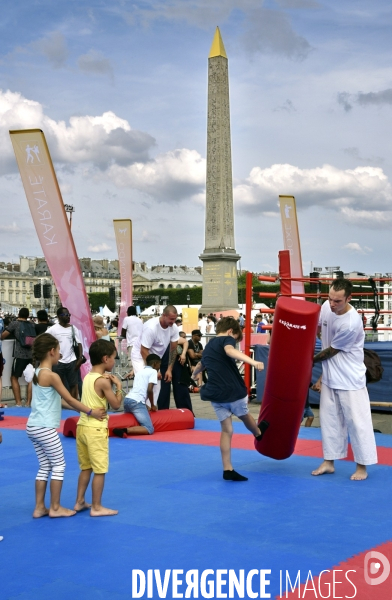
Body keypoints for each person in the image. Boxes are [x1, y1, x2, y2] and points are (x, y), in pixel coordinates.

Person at [26, 333, 106, 518]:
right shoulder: (52, 376)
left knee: (45, 466)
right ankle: (55, 507)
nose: (60, 355)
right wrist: (90, 411)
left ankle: (40, 507)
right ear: (52, 351)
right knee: (59, 466)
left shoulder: (37, 374)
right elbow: (69, 397)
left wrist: (80, 410)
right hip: (45, 428)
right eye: (59, 351)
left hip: (33, 427)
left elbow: (59, 401)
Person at [311, 278, 377, 481]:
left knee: (358, 423)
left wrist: (303, 360)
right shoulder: (326, 306)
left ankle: (362, 467)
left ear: (349, 298)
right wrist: (323, 375)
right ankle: (329, 462)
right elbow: (321, 332)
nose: (332, 304)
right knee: (329, 422)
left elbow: (330, 351)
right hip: (331, 377)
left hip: (350, 380)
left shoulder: (351, 322)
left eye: (337, 301)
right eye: (330, 299)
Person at [193, 316, 268, 481]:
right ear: (231, 331)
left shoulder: (209, 345)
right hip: (231, 390)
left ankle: (227, 469)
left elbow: (201, 364)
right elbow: (229, 350)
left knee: (227, 430)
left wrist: (194, 373)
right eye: (235, 338)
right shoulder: (227, 339)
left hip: (215, 394)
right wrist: (254, 362)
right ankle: (258, 433)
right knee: (245, 415)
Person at [74, 339, 123, 516]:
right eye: (113, 358)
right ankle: (96, 506)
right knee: (100, 470)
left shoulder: (87, 376)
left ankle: (79, 501)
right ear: (105, 359)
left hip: (82, 427)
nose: (114, 361)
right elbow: (116, 405)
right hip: (95, 430)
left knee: (86, 467)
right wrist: (119, 387)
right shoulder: (103, 381)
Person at [131, 305, 185, 407]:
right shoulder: (151, 328)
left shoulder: (173, 328)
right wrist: (155, 370)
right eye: (171, 319)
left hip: (155, 358)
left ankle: (151, 408)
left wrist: (169, 370)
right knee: (145, 380)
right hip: (140, 355)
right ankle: (139, 407)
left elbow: (173, 350)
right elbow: (143, 351)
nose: (173, 322)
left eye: (175, 319)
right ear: (164, 315)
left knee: (156, 385)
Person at [113, 354, 161, 437]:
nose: (159, 367)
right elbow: (149, 390)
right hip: (136, 402)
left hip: (127, 400)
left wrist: (146, 406)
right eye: (159, 364)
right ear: (155, 363)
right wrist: (153, 405)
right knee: (149, 428)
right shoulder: (153, 372)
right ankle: (125, 430)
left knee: (131, 420)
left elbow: (138, 392)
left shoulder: (139, 372)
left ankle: (119, 429)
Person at [46, 307, 83, 400]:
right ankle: (60, 403)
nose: (68, 317)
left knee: (74, 384)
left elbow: (79, 344)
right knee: (58, 384)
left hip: (72, 360)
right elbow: (43, 341)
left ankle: (73, 404)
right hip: (58, 362)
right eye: (65, 315)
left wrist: (80, 358)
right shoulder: (53, 329)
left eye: (69, 315)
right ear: (58, 316)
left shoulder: (73, 328)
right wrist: (52, 354)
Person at [1, 307, 33, 407]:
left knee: (14, 377)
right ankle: (28, 402)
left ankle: (18, 402)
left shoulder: (15, 324)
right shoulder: (32, 324)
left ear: (19, 314)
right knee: (31, 379)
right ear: (28, 315)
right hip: (31, 354)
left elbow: (3, 336)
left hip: (19, 354)